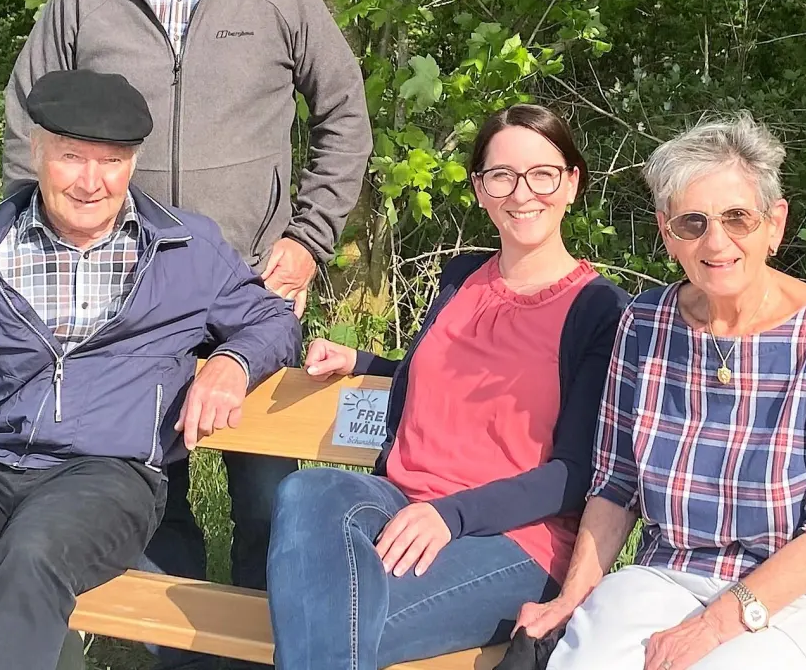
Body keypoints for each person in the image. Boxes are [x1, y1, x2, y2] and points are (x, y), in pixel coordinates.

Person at [0, 0, 372, 644]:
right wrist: (53, 255)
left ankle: (267, 646)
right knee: (140, 479)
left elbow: (345, 115)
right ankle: (179, 654)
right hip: (120, 295)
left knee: (268, 495)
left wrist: (308, 238)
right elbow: (30, 131)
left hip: (253, 289)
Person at [0, 70, 301, 670]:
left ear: (133, 163)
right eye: (72, 158)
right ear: (36, 152)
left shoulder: (186, 250)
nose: (92, 183)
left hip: (109, 474)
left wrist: (232, 360)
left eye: (112, 162)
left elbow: (273, 320)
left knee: (31, 559)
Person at [517, 114, 806, 670]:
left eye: (737, 218)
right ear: (668, 233)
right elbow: (617, 483)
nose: (716, 242)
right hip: (668, 575)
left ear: (775, 224)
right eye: (693, 223)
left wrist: (711, 628)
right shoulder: (644, 325)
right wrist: (571, 600)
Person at [265, 104, 631, 669]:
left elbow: (576, 474)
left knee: (328, 615)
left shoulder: (599, 310)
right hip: (398, 505)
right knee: (308, 491)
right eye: (501, 176)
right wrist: (364, 362)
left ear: (572, 183)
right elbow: (446, 374)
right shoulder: (460, 277)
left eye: (542, 173)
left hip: (514, 540)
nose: (521, 192)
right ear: (482, 190)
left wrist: (451, 515)